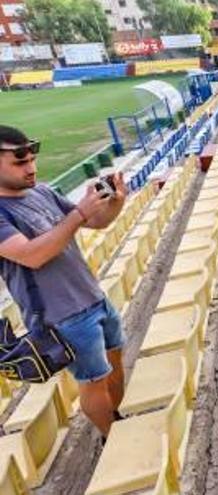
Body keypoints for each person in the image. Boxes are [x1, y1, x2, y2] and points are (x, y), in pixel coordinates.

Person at [0, 125, 127, 438]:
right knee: (93, 380)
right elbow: (31, 255)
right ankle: (111, 438)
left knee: (115, 358)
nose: (32, 168)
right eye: (20, 163)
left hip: (93, 296)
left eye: (31, 159)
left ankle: (116, 417)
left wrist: (114, 203)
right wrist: (79, 214)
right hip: (63, 318)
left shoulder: (41, 191)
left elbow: (95, 222)